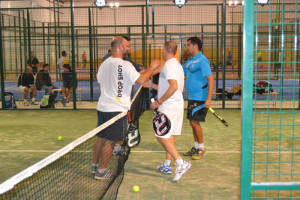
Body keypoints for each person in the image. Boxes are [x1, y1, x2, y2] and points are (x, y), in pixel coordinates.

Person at [91, 36, 158, 180]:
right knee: (110, 141)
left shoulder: (103, 64)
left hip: (102, 107)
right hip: (117, 110)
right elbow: (141, 80)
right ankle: (101, 171)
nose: (130, 48)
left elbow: (100, 85)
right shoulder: (125, 65)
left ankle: (94, 165)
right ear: (120, 47)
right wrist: (152, 67)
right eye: (128, 46)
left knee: (101, 138)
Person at [143, 41, 191, 183]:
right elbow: (168, 87)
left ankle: (181, 163)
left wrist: (159, 102)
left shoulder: (169, 66)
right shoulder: (176, 65)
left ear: (164, 50)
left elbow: (174, 86)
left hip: (168, 106)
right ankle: (167, 165)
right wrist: (151, 85)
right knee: (168, 135)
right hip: (176, 105)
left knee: (161, 136)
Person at [102, 36, 142, 155]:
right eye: (128, 46)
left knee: (117, 129)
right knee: (110, 134)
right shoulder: (116, 60)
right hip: (114, 104)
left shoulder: (125, 60)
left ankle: (117, 146)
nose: (130, 48)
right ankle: (101, 168)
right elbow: (139, 76)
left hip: (118, 102)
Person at [182, 37, 214, 160]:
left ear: (195, 46)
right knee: (192, 122)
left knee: (195, 123)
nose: (187, 47)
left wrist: (209, 99)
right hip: (192, 97)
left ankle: (201, 149)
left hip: (200, 97)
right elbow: (181, 73)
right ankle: (196, 147)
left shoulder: (202, 60)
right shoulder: (190, 61)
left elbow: (211, 79)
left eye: (188, 45)